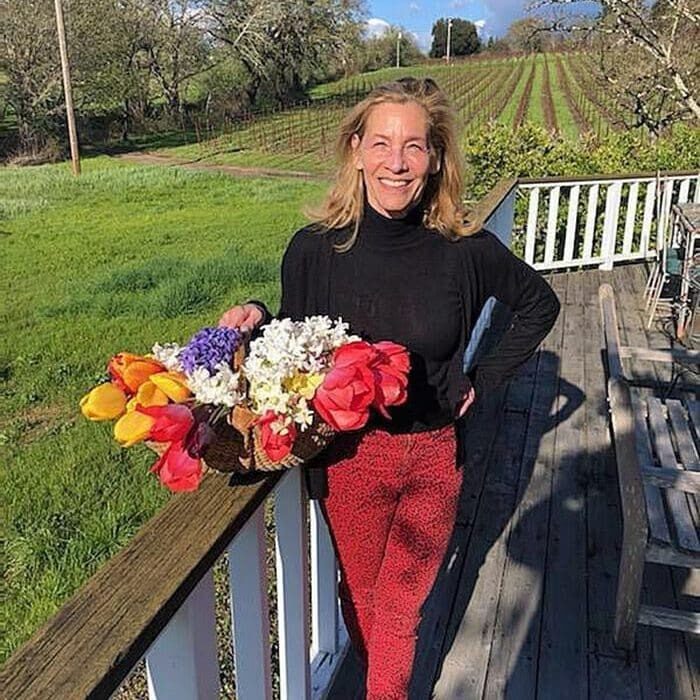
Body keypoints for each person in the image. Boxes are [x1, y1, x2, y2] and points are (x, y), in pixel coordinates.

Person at [219, 77, 560, 699]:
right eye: (380, 143)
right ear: (355, 149)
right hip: (348, 457)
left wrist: (482, 378)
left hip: (433, 455)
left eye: (413, 147)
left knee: (400, 609)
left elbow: (539, 304)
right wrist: (254, 315)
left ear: (434, 159)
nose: (396, 163)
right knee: (362, 594)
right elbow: (298, 338)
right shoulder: (314, 250)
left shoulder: (466, 251)